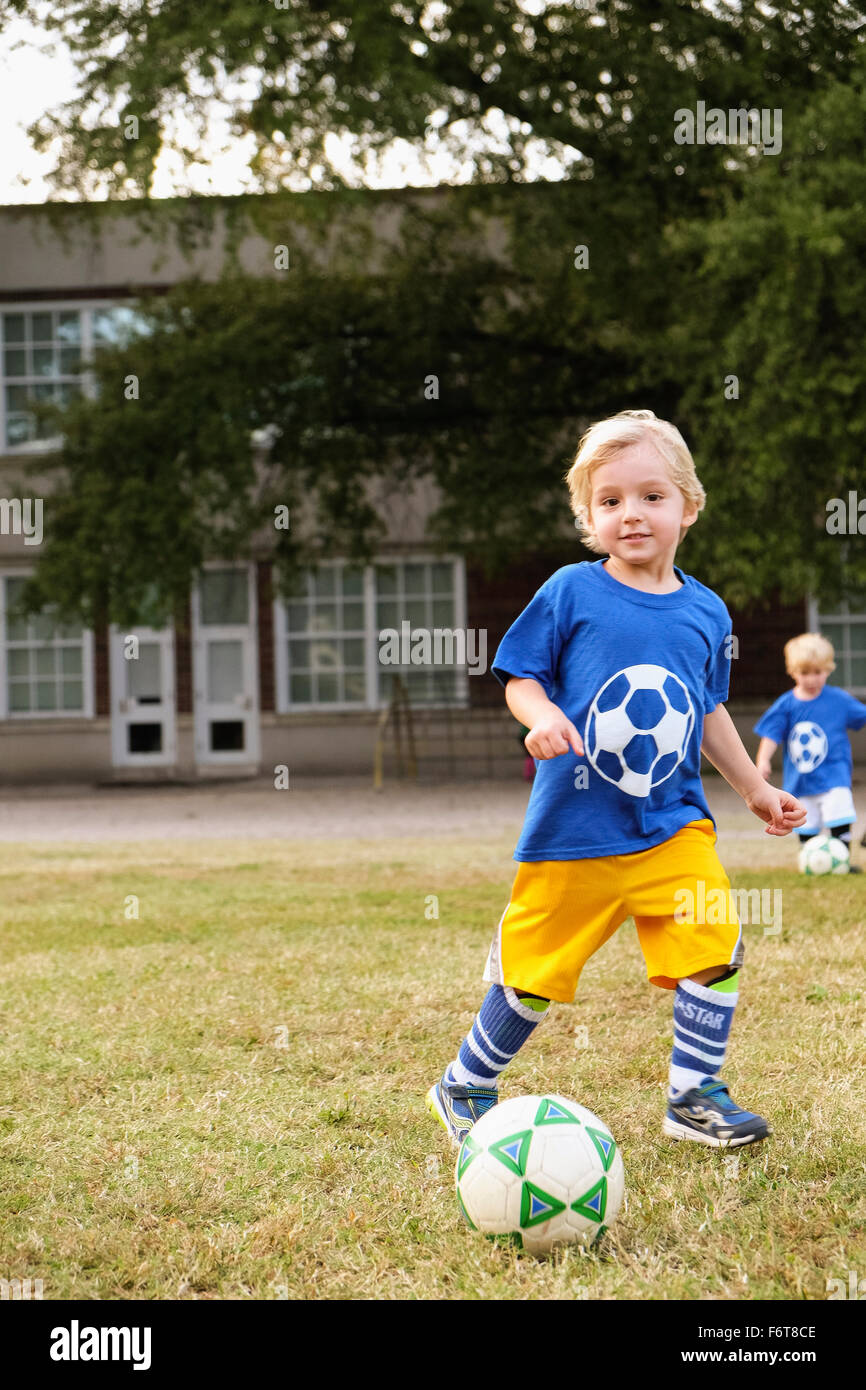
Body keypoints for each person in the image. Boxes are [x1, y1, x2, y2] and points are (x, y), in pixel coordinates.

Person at [426, 409, 806, 1151]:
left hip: (672, 825)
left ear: (688, 507)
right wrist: (537, 717)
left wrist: (755, 790)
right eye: (610, 501)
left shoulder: (706, 610)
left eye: (651, 497)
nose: (631, 514)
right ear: (588, 516)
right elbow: (520, 677)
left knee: (712, 938)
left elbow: (708, 710)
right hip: (574, 832)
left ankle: (693, 1096)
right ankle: (465, 1083)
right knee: (531, 981)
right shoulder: (571, 591)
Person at [754, 633, 866, 873]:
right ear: (793, 672)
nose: (812, 679)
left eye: (818, 672)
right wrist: (763, 760)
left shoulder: (839, 700)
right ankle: (810, 860)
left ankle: (842, 861)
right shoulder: (786, 704)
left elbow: (862, 715)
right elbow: (771, 734)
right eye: (805, 673)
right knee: (806, 822)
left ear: (828, 669)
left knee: (839, 812)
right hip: (801, 779)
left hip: (835, 775)